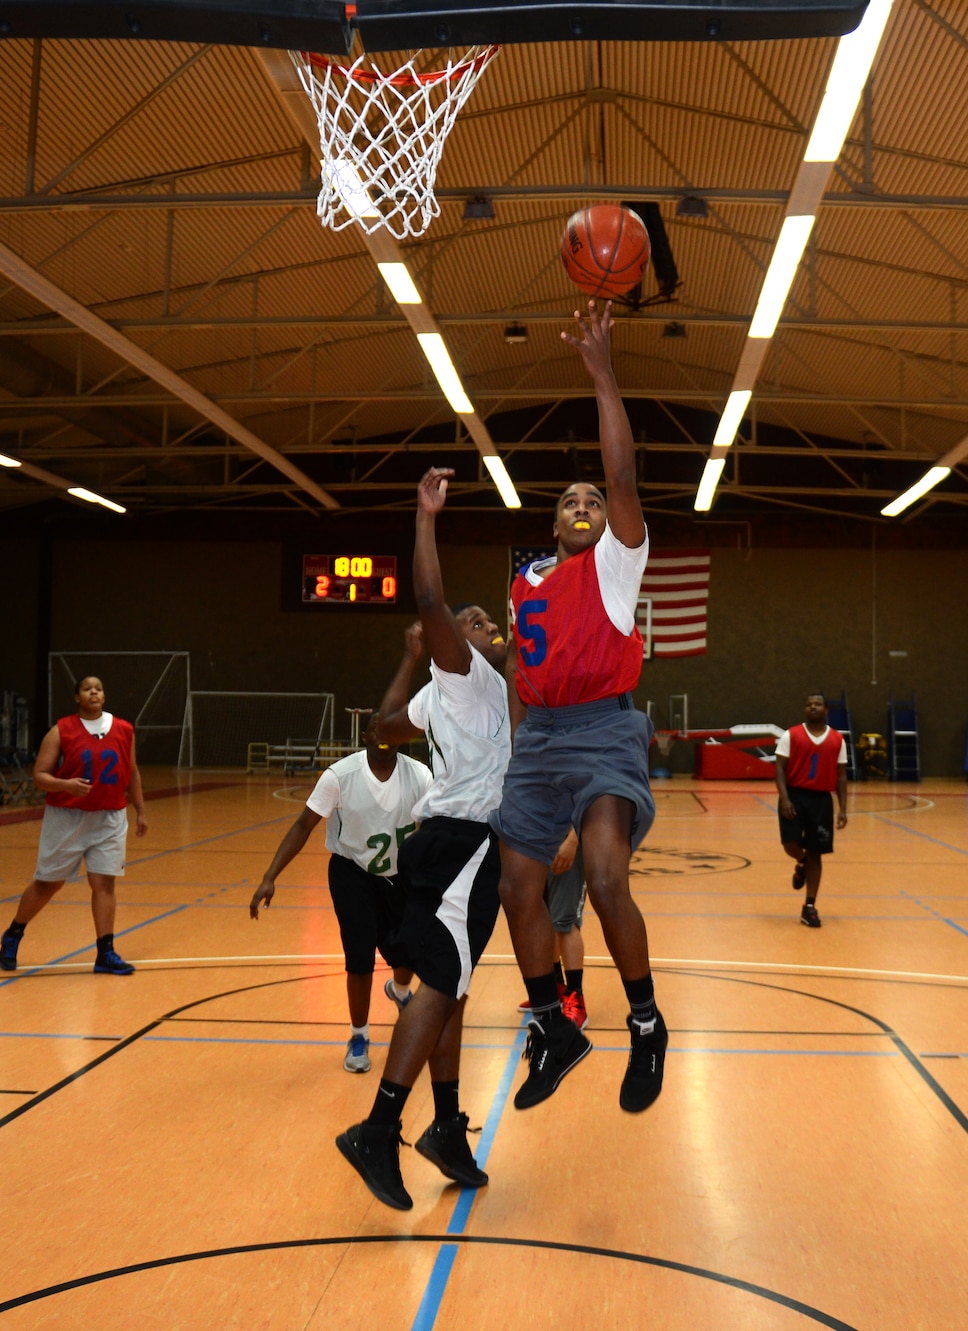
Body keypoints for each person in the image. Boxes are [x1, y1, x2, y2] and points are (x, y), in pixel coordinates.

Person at [493, 300, 666, 1115]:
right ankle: (554, 1027)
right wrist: (517, 759)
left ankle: (644, 1020)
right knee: (516, 889)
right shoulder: (525, 582)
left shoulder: (615, 565)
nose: (582, 502)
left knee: (602, 876)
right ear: (549, 518)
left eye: (590, 497)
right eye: (566, 497)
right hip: (540, 737)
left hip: (603, 727)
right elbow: (523, 684)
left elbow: (623, 477)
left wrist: (603, 377)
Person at [334, 467, 512, 1212]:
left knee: (453, 987)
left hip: (436, 843)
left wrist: (408, 661)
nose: (486, 632)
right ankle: (378, 1128)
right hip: (463, 844)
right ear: (455, 642)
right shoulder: (464, 675)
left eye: (491, 626)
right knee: (441, 986)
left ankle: (443, 1124)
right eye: (476, 625)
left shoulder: (440, 696)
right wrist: (425, 518)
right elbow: (433, 599)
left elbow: (380, 728)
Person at [250, 721, 427, 1073]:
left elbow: (436, 826)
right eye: (376, 731)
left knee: (409, 950)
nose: (382, 738)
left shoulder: (420, 776)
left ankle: (401, 991)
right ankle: (359, 1036)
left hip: (400, 876)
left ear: (402, 737)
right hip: (353, 875)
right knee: (359, 958)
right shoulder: (339, 776)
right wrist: (271, 876)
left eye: (391, 732)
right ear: (365, 736)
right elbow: (303, 825)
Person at [0, 676, 148, 976]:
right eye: (87, 688)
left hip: (110, 817)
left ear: (104, 696)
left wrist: (141, 810)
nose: (94, 691)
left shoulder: (124, 729)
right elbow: (39, 776)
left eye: (99, 688)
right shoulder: (61, 730)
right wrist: (66, 784)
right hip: (67, 816)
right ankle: (13, 933)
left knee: (104, 883)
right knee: (48, 885)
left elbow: (132, 772)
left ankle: (106, 952)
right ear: (77, 697)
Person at [773, 694, 848, 928]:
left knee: (817, 852)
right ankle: (801, 861)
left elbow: (842, 776)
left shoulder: (837, 739)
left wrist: (843, 809)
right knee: (790, 845)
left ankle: (810, 907)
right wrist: (785, 798)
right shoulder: (791, 734)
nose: (812, 707)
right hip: (794, 797)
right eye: (808, 704)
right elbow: (779, 769)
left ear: (826, 709)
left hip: (821, 801)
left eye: (817, 704)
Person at [515, 828, 589, 1028]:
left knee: (565, 922)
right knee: (543, 917)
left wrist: (572, 841)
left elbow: (585, 800)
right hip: (538, 838)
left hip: (566, 839)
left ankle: (576, 998)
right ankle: (555, 988)